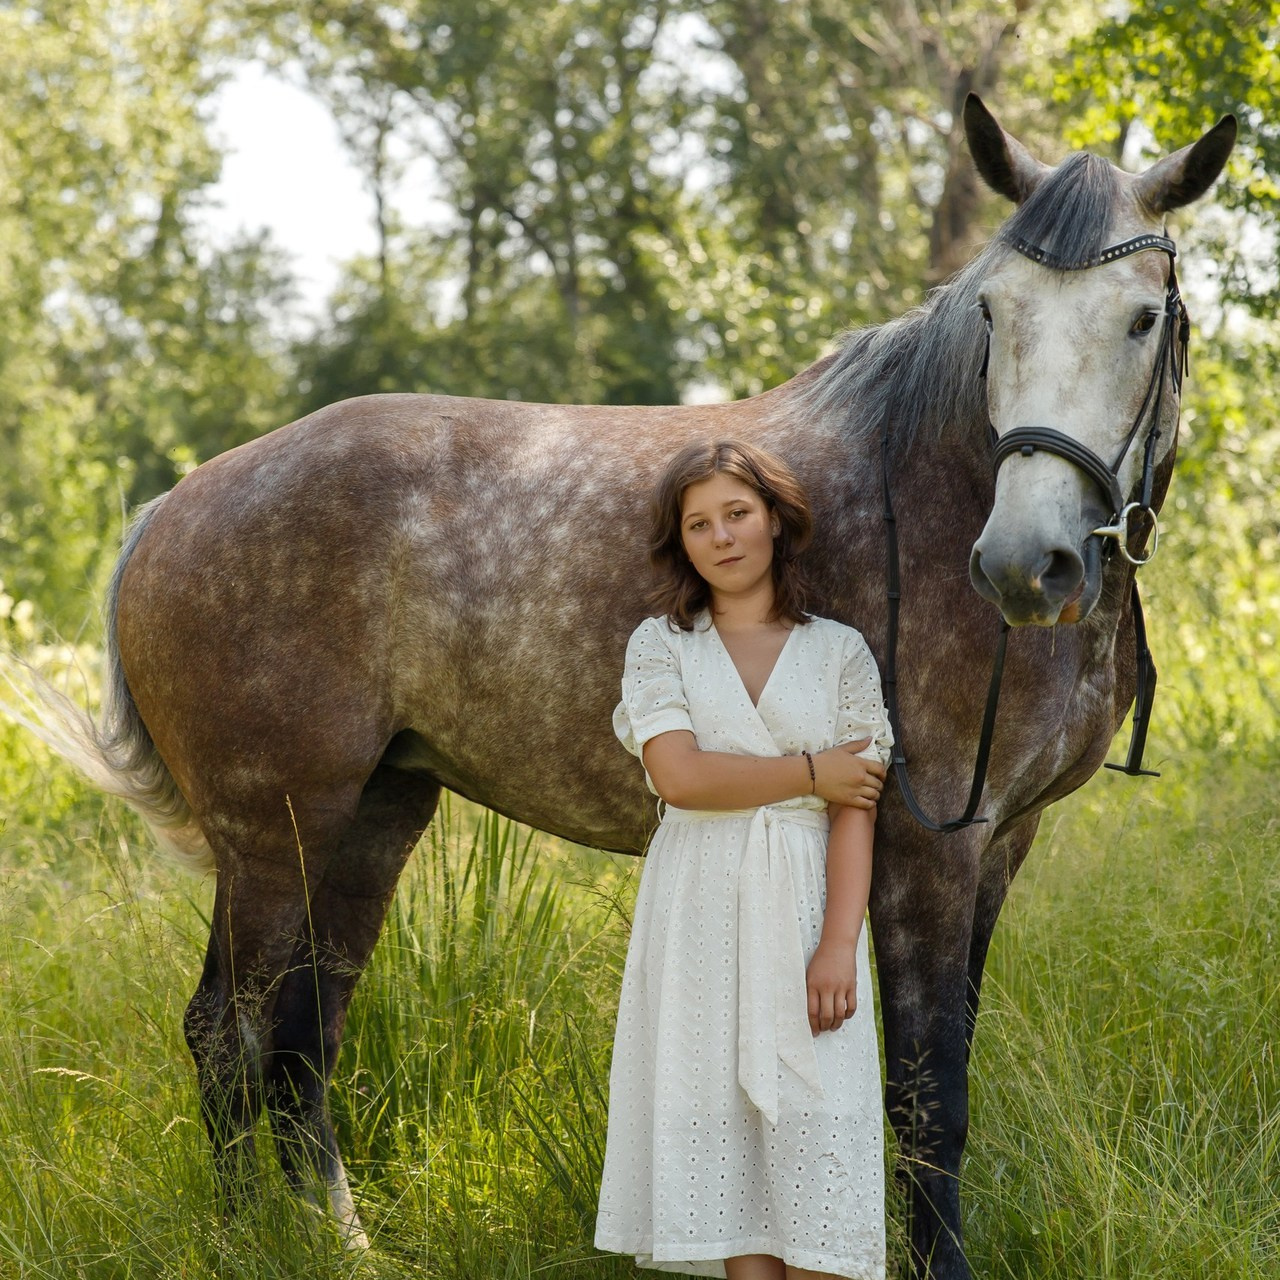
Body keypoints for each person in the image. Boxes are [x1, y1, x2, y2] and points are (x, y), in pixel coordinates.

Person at [595, 439, 893, 1280]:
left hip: (808, 904)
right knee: (723, 1155)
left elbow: (854, 812)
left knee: (818, 1140)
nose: (722, 537)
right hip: (699, 906)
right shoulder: (662, 646)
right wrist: (809, 770)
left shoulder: (839, 651)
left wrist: (839, 944)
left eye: (737, 513)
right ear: (681, 544)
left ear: (774, 521)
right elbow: (680, 777)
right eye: (699, 524)